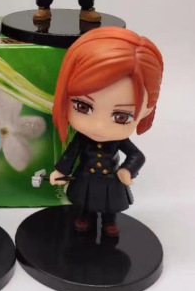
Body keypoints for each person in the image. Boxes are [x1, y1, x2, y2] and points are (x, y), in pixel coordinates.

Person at [50, 27, 163, 236]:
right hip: (85, 177)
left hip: (111, 179)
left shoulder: (118, 141)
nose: (99, 126)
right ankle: (85, 217)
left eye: (121, 117)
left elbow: (137, 155)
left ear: (146, 109)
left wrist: (127, 170)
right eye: (82, 107)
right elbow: (70, 154)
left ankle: (109, 222)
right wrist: (61, 171)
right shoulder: (82, 138)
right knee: (84, 203)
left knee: (110, 205)